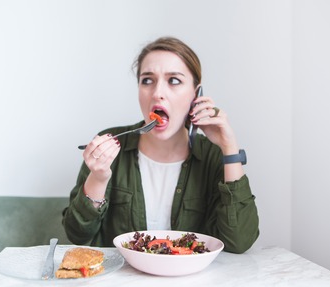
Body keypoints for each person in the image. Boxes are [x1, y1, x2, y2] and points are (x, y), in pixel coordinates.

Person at [62, 36, 259, 254]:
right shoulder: (110, 146)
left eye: (174, 80)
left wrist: (229, 149)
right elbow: (76, 235)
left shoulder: (212, 155)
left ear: (196, 94)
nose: (157, 93)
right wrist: (98, 179)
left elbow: (239, 242)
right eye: (147, 80)